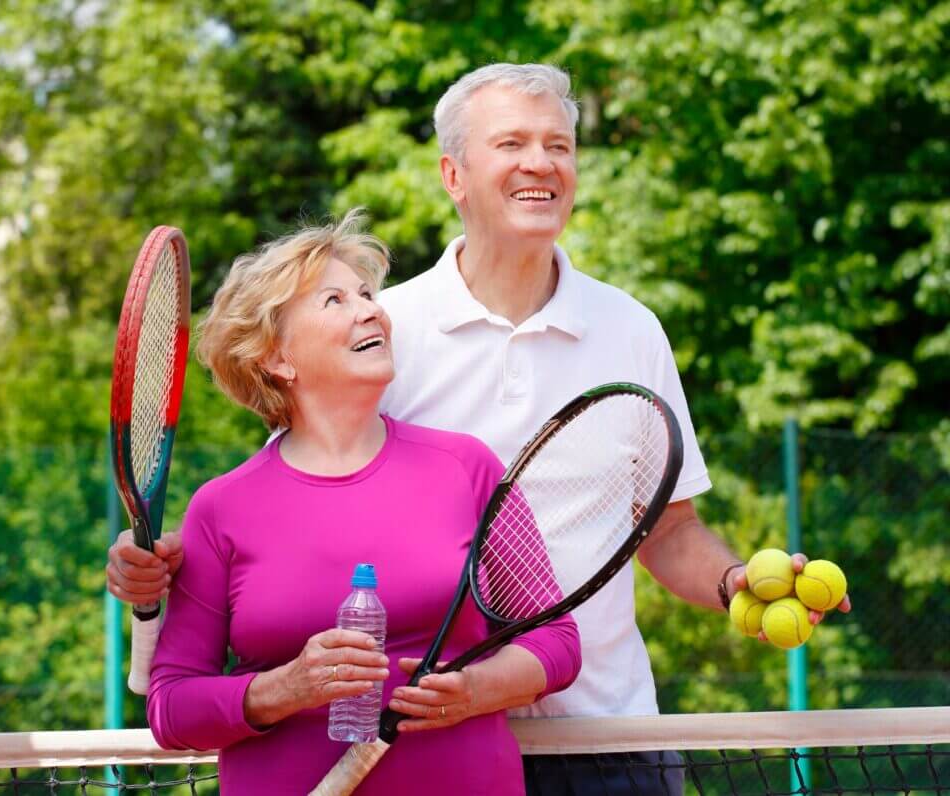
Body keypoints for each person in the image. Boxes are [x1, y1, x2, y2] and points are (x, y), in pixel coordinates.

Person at [109, 64, 850, 795]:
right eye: (512, 143)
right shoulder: (385, 332)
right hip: (431, 747)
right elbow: (302, 503)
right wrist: (168, 570)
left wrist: (731, 584)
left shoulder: (631, 331)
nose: (541, 163)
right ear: (453, 176)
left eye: (559, 145)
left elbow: (667, 529)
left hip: (607, 734)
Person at [139, 211, 581, 795]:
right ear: (277, 358)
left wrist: (475, 690)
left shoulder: (467, 468)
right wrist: (285, 687)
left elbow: (556, 642)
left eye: (368, 294)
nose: (371, 309)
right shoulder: (221, 507)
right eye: (334, 301)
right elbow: (171, 706)